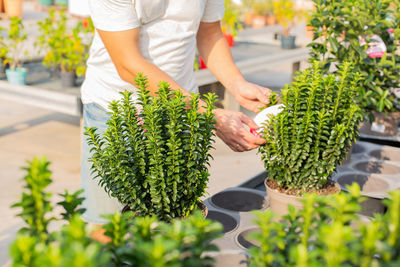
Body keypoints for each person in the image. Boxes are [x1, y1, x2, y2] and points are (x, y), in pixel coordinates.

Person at [81, 0, 272, 226]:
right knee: (109, 228)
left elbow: (209, 33)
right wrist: (209, 114)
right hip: (117, 111)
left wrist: (237, 84)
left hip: (180, 112)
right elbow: (127, 64)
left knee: (176, 221)